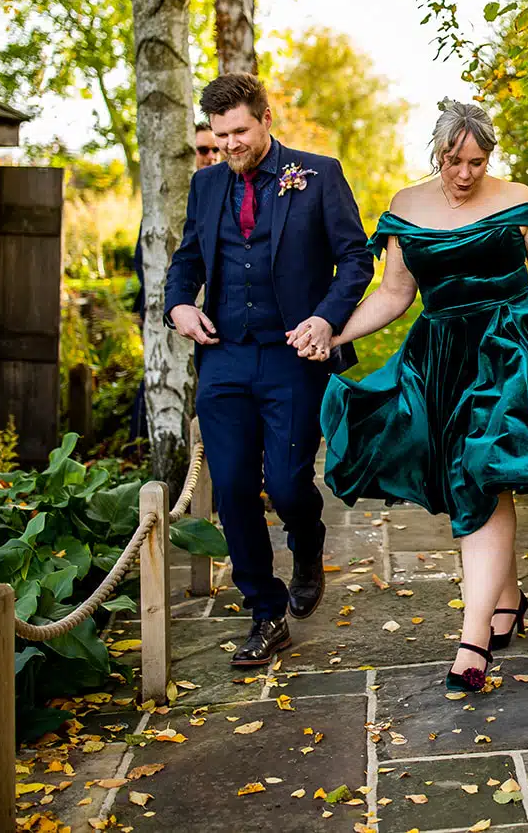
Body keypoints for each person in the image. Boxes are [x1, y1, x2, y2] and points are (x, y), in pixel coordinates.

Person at [304, 99, 528, 692]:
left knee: (484, 472)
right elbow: (394, 295)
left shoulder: (517, 199)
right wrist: (334, 331)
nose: (465, 173)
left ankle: (472, 645)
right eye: (454, 161)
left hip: (511, 348)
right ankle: (508, 598)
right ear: (437, 154)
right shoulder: (405, 207)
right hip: (443, 355)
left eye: (476, 161)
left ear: (489, 156)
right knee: (469, 479)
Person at [164, 73, 373, 667]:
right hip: (225, 356)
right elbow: (186, 262)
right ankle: (265, 611)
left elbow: (355, 258)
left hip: (294, 356)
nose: (229, 143)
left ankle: (307, 545)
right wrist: (179, 304)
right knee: (229, 486)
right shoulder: (205, 187)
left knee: (286, 484)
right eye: (219, 133)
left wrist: (327, 319)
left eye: (239, 131)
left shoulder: (318, 174)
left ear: (266, 119)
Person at [128, 123, 219, 441]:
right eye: (203, 150)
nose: (211, 156)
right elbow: (145, 260)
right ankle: (143, 444)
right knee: (159, 382)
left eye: (214, 149)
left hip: (216, 317)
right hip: (173, 313)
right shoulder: (166, 204)